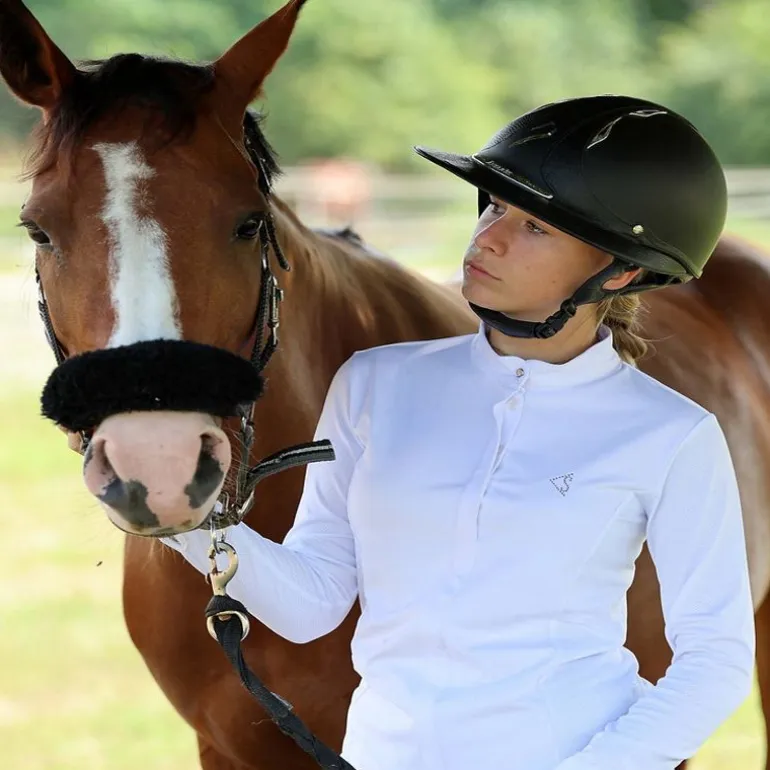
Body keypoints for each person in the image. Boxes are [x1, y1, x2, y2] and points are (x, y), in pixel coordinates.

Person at [161, 94, 756, 770]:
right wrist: (185, 517)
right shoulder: (374, 384)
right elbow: (313, 604)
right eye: (496, 208)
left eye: (535, 228)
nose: (489, 238)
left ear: (619, 270)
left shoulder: (671, 433)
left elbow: (716, 659)